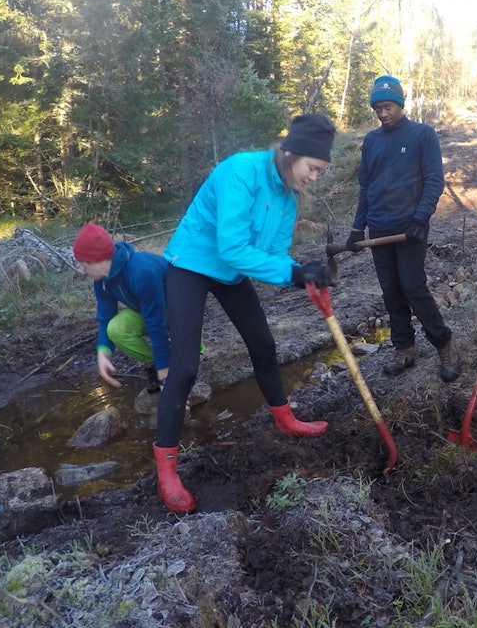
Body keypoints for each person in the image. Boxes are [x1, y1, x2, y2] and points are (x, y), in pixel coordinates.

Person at [153, 113, 337, 513]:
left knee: (263, 345)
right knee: (183, 367)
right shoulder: (241, 170)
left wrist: (301, 276)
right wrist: (293, 272)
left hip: (232, 272)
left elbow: (273, 255)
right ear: (292, 153)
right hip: (191, 264)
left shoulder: (287, 196)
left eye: (321, 172)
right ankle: (166, 468)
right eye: (314, 168)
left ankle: (286, 419)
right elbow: (231, 247)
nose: (315, 178)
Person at [345, 74, 462, 382]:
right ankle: (404, 348)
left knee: (413, 288)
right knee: (391, 292)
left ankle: (444, 344)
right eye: (378, 109)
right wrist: (358, 229)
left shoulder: (422, 134)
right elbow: (366, 186)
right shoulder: (371, 141)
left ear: (400, 104)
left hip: (410, 229)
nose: (384, 114)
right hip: (380, 230)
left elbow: (434, 181)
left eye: (389, 107)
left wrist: (419, 219)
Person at [73, 222, 170, 394]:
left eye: (82, 263)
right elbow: (105, 318)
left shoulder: (141, 271)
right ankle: (158, 363)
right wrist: (103, 354)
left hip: (178, 311)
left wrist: (165, 376)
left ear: (97, 260)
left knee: (172, 348)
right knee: (115, 328)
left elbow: (156, 326)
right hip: (147, 311)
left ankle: (178, 364)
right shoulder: (101, 280)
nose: (81, 269)